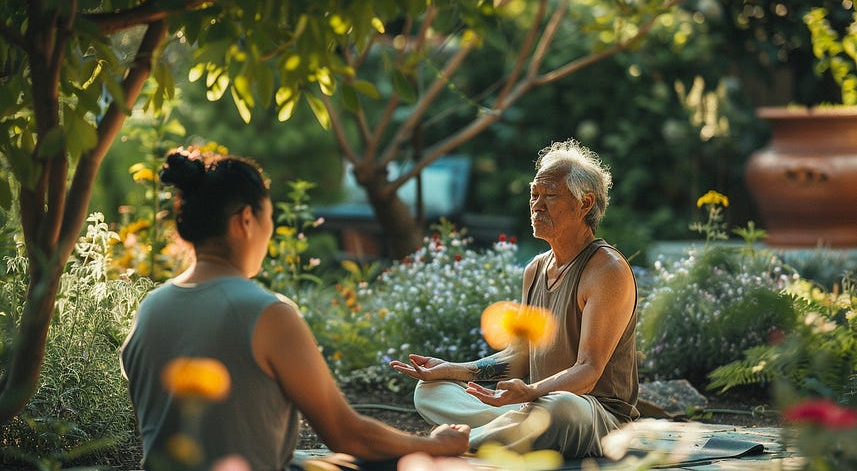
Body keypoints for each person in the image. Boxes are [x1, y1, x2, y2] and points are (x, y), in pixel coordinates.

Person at [120, 147, 469, 471]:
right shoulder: (266, 313)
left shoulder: (150, 309)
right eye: (268, 217)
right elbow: (347, 434)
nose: (269, 230)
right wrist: (434, 445)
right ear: (245, 220)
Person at [390, 139, 639, 459]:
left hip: (594, 417)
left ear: (585, 203)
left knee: (560, 406)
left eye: (549, 196)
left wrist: (534, 391)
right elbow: (519, 357)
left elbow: (589, 372)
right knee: (429, 391)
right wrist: (452, 369)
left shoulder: (607, 269)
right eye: (534, 194)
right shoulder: (535, 269)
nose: (537, 206)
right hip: (532, 406)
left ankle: (461, 440)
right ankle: (507, 430)